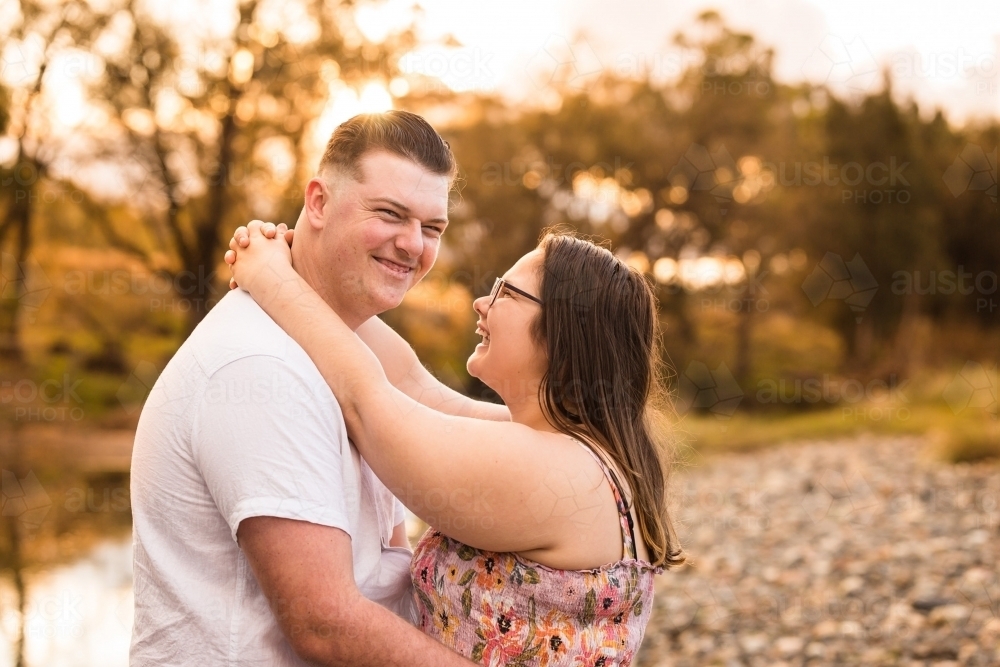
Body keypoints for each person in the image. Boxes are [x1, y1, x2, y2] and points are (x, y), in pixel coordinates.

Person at [130, 111, 503, 666]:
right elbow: (324, 624)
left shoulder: (345, 345)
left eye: (432, 228)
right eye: (390, 214)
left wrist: (587, 434)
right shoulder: (262, 368)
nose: (412, 245)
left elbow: (386, 556)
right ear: (319, 203)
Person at [226, 219, 685, 666]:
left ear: (564, 328)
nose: (481, 303)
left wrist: (271, 280)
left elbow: (367, 403)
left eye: (506, 292)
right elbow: (411, 385)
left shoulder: (563, 473)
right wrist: (308, 266)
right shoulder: (570, 448)